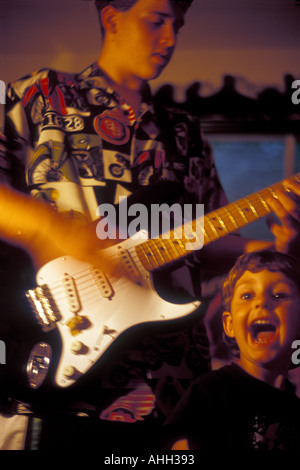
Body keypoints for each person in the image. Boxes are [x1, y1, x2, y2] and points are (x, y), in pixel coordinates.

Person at [0, 0, 300, 451]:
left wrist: (276, 246)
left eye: (177, 25)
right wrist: (49, 228)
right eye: (157, 21)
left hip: (173, 384)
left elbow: (203, 242)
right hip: (59, 362)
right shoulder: (42, 95)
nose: (171, 39)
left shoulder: (185, 131)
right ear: (112, 18)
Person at [163, 249, 300, 450]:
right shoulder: (211, 391)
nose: (261, 302)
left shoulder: (294, 408)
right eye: (247, 295)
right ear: (229, 324)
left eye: (279, 294)